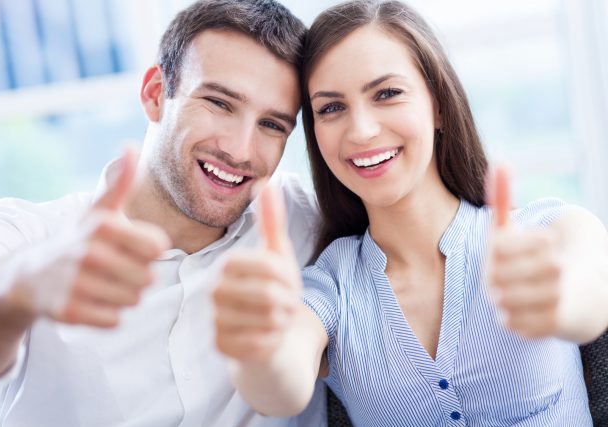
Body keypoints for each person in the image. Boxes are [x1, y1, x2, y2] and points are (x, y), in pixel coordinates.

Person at [213, 1, 608, 426]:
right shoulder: (330, 286)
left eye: (387, 94)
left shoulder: (553, 229)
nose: (361, 131)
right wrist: (253, 348)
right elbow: (280, 387)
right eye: (331, 108)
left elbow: (589, 300)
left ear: (438, 104)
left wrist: (556, 299)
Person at [0, 1, 326, 426]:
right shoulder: (30, 236)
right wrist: (23, 288)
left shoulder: (302, 220)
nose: (240, 150)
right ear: (155, 94)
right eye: (219, 103)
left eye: (272, 125)